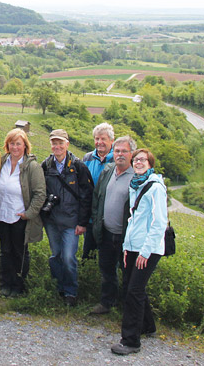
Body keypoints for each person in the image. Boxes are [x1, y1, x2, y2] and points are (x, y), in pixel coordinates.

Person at [111, 148, 169, 356]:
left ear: (150, 164)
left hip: (149, 248)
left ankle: (130, 341)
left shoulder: (155, 188)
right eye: (136, 160)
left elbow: (158, 223)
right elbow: (133, 220)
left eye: (143, 160)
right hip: (134, 247)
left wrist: (145, 252)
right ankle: (147, 326)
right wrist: (127, 248)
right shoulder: (136, 185)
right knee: (132, 287)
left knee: (133, 292)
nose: (138, 163)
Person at [0, 129, 46, 297]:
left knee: (19, 252)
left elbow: (40, 193)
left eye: (18, 144)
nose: (15, 147)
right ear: (7, 145)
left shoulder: (32, 167)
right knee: (5, 251)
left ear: (25, 146)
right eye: (12, 143)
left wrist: (29, 213)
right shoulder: (2, 162)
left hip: (20, 216)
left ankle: (18, 286)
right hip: (1, 213)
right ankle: (5, 283)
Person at [41, 129, 93, 306]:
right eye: (54, 143)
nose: (57, 146)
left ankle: (71, 292)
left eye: (60, 143)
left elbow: (87, 196)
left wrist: (82, 222)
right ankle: (59, 287)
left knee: (69, 257)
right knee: (56, 255)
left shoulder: (78, 167)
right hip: (52, 221)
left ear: (67, 144)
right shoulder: (46, 165)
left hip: (72, 222)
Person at [90, 135, 136, 315]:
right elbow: (97, 198)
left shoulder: (136, 176)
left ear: (132, 154)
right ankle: (107, 303)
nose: (120, 154)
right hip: (107, 232)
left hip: (126, 236)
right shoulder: (108, 171)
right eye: (117, 151)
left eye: (124, 151)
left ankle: (128, 308)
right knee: (107, 270)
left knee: (128, 274)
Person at [82, 123, 115, 259]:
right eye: (97, 139)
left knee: (107, 257)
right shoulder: (87, 158)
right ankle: (88, 278)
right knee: (88, 253)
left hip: (109, 217)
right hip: (91, 215)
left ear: (111, 141)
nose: (99, 142)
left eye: (103, 139)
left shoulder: (117, 159)